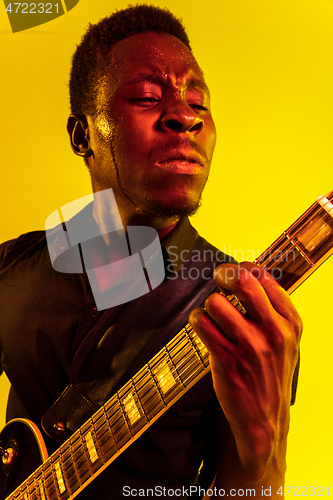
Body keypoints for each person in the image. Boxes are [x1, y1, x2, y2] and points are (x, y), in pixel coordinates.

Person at [0, 5, 301, 499]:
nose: (184, 117)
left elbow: (252, 488)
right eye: (145, 97)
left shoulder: (244, 314)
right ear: (83, 136)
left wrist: (265, 448)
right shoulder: (11, 267)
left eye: (199, 104)